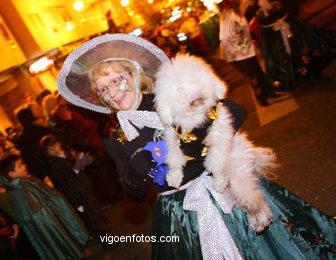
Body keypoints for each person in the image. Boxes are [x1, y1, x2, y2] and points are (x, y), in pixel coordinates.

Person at [57, 34, 335, 259]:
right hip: (178, 215)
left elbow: (233, 111)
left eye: (117, 80)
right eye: (103, 89)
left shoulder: (166, 98)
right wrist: (132, 179)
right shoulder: (118, 137)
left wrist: (196, 154)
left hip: (220, 188)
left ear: (132, 75)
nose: (113, 92)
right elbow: (138, 196)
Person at [0, 155, 88, 260]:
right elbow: (30, 214)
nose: (24, 165)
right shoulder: (20, 188)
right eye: (20, 165)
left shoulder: (26, 181)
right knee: (60, 247)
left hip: (49, 221)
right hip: (47, 225)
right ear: (11, 174)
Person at [256, 0, 335, 90]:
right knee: (288, 53)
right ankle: (296, 72)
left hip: (287, 27)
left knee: (298, 48)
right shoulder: (259, 11)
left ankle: (305, 69)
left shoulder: (275, 5)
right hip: (277, 34)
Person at [219, 0, 281, 106]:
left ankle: (269, 92)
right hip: (237, 55)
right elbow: (225, 38)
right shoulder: (230, 16)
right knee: (253, 76)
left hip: (245, 51)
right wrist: (242, 45)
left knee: (258, 71)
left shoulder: (237, 13)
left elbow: (242, 31)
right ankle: (261, 98)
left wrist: (248, 41)